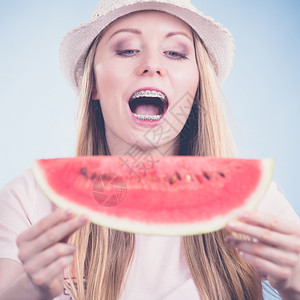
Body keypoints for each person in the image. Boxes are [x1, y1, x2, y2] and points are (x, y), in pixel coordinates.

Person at [0, 0, 299, 299]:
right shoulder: (28, 199)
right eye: (127, 49)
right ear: (93, 82)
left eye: (175, 53)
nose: (152, 65)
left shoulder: (255, 206)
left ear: (197, 86)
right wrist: (32, 289)